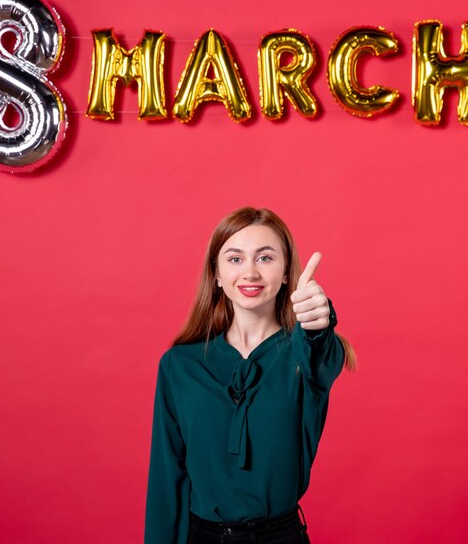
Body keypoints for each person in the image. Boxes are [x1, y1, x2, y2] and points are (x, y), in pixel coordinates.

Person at [145, 207, 356, 544]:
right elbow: (167, 478)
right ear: (215, 274)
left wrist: (318, 320)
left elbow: (321, 352)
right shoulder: (179, 365)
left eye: (265, 258)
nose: (251, 273)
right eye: (235, 259)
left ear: (287, 271)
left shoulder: (305, 355)